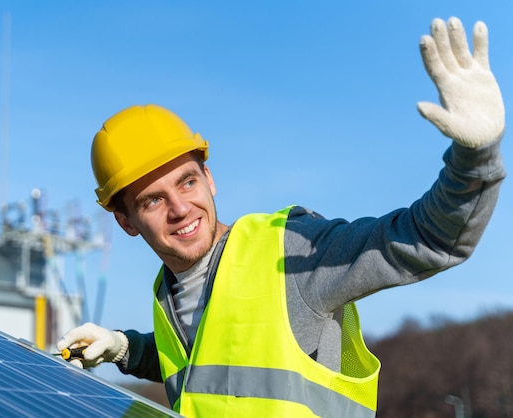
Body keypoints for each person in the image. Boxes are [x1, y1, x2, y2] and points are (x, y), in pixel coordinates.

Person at [57, 17, 505, 417]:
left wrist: (475, 157)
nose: (179, 209)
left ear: (209, 179)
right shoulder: (169, 290)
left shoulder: (288, 251)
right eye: (152, 201)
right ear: (126, 221)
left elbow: (427, 238)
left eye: (187, 182)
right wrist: (124, 348)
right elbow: (205, 369)